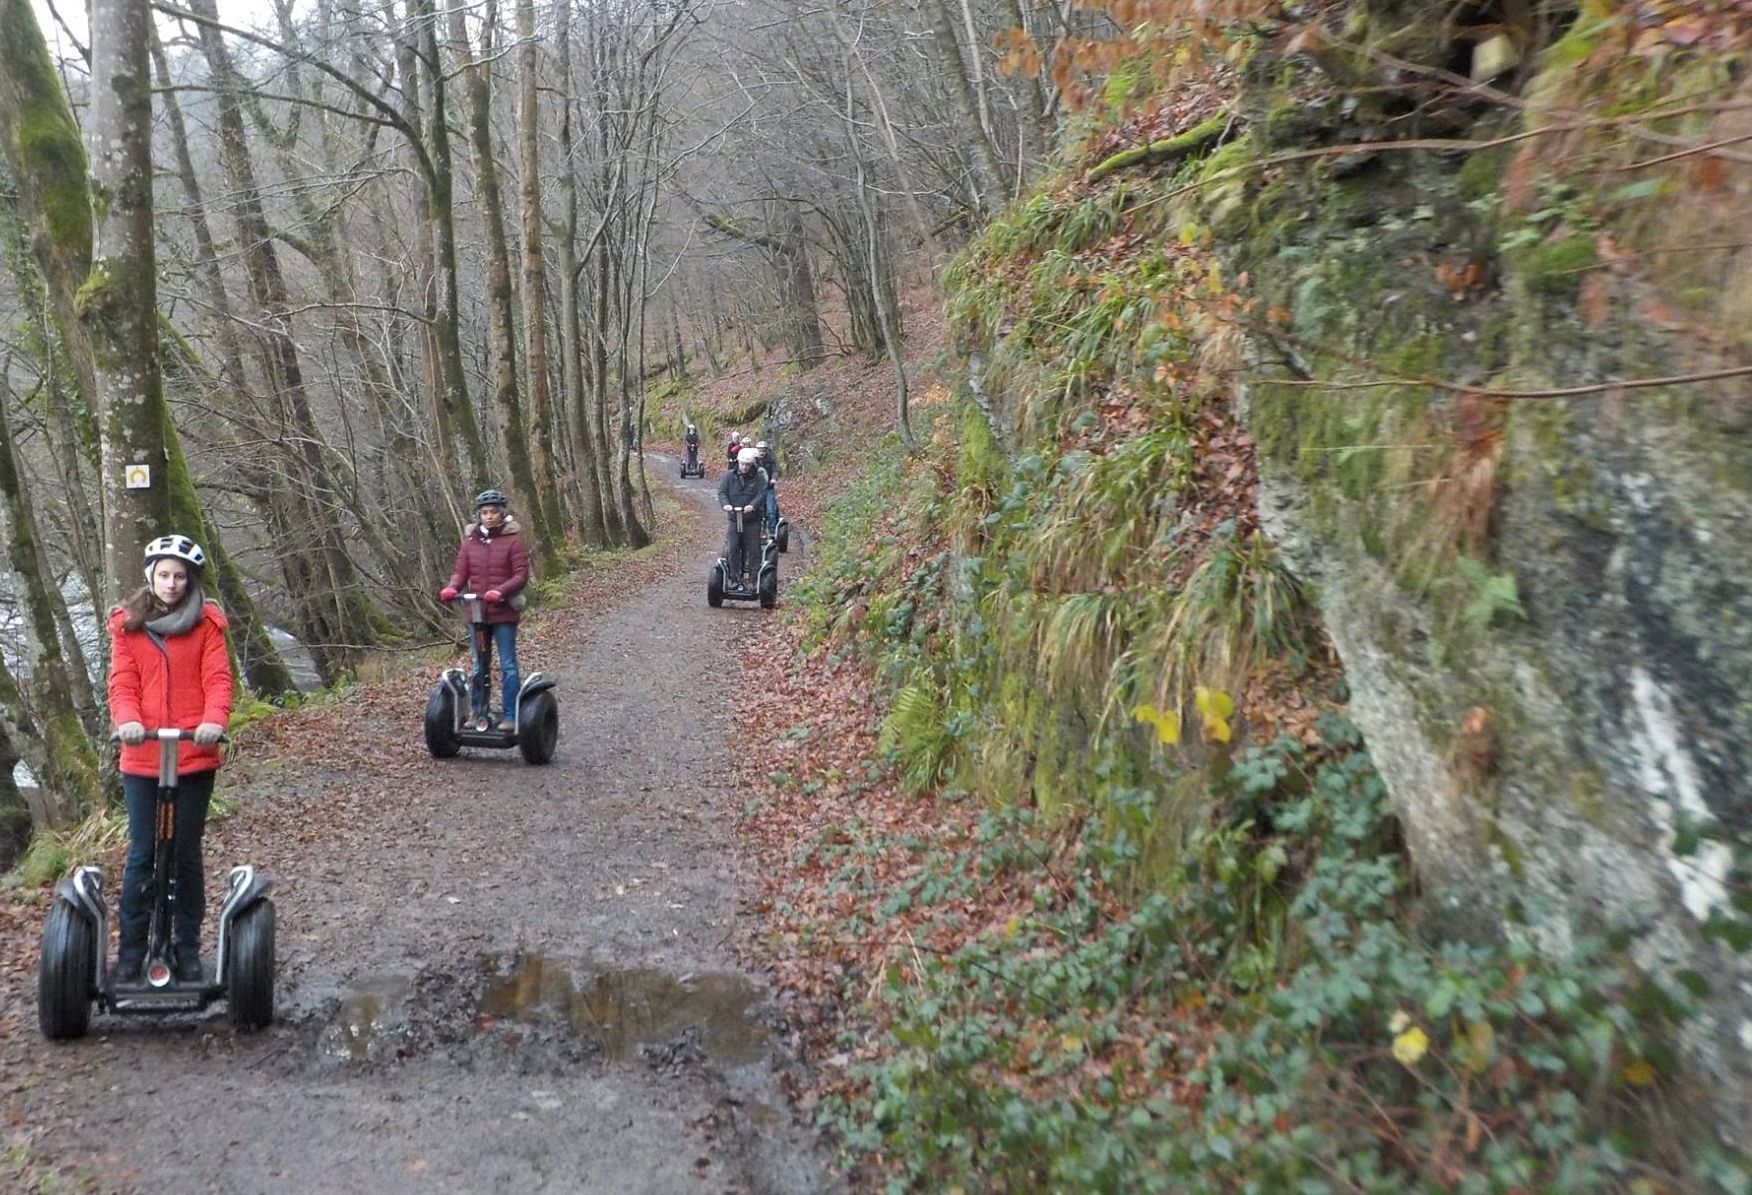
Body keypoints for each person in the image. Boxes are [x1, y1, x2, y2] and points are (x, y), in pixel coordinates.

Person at [108, 534, 233, 984]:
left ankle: (185, 950)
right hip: (142, 756)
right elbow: (122, 684)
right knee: (142, 855)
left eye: (180, 576)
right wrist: (126, 720)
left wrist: (213, 720)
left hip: (193, 753)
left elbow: (218, 680)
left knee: (184, 855)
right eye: (164, 575)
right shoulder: (127, 625)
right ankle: (130, 954)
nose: (172, 583)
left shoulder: (208, 625)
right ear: (151, 576)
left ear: (190, 580)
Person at [440, 489, 531, 732]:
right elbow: (461, 572)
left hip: (503, 614)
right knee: (479, 665)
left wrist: (500, 591)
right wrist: (452, 588)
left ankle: (511, 714)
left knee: (508, 665)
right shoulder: (471, 542)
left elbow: (521, 575)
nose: (489, 517)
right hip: (476, 613)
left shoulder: (513, 541)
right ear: (479, 515)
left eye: (493, 512)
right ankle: (478, 712)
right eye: (484, 513)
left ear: (502, 514)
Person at [717, 447, 769, 587]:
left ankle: (754, 579)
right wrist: (725, 504)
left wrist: (752, 505)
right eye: (742, 464)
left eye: (747, 465)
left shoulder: (758, 477)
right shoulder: (729, 476)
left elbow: (761, 494)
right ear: (738, 462)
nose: (744, 467)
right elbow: (722, 492)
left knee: (754, 549)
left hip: (752, 520)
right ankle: (735, 578)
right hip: (734, 518)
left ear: (752, 464)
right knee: (733, 548)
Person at [754, 439, 780, 531]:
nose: (761, 453)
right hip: (757, 489)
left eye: (763, 451)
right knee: (756, 510)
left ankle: (772, 531)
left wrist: (773, 478)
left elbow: (775, 471)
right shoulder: (754, 461)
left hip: (769, 488)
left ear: (766, 451)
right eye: (760, 451)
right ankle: (757, 529)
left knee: (770, 511)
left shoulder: (771, 460)